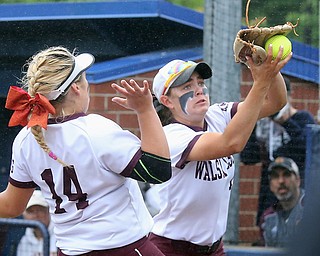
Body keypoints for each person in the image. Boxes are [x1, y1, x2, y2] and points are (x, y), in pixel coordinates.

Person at [0, 46, 172, 255]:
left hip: (70, 251)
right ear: (76, 88)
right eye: (84, 78)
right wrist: (145, 110)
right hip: (124, 248)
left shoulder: (25, 140)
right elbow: (158, 170)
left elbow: (10, 206)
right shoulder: (96, 129)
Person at [148, 44, 292, 256]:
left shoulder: (217, 114)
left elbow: (276, 102)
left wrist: (268, 68)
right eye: (187, 87)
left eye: (200, 82)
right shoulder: (170, 137)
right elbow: (231, 143)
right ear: (166, 101)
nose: (198, 89)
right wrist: (261, 82)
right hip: (172, 248)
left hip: (214, 248)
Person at [240, 76, 316, 227]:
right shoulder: (263, 124)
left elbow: (309, 149)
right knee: (268, 227)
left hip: (298, 188)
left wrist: (285, 122)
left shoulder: (302, 118)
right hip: (271, 192)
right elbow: (247, 157)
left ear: (288, 96)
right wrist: (254, 124)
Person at [258, 157, 304, 248]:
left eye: (286, 175)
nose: (281, 181)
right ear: (271, 185)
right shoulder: (267, 218)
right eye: (275, 176)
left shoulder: (313, 208)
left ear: (298, 180)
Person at [17, 190, 57, 256]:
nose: (36, 215)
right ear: (24, 215)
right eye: (31, 211)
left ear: (48, 211)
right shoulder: (24, 240)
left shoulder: (61, 233)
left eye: (40, 210)